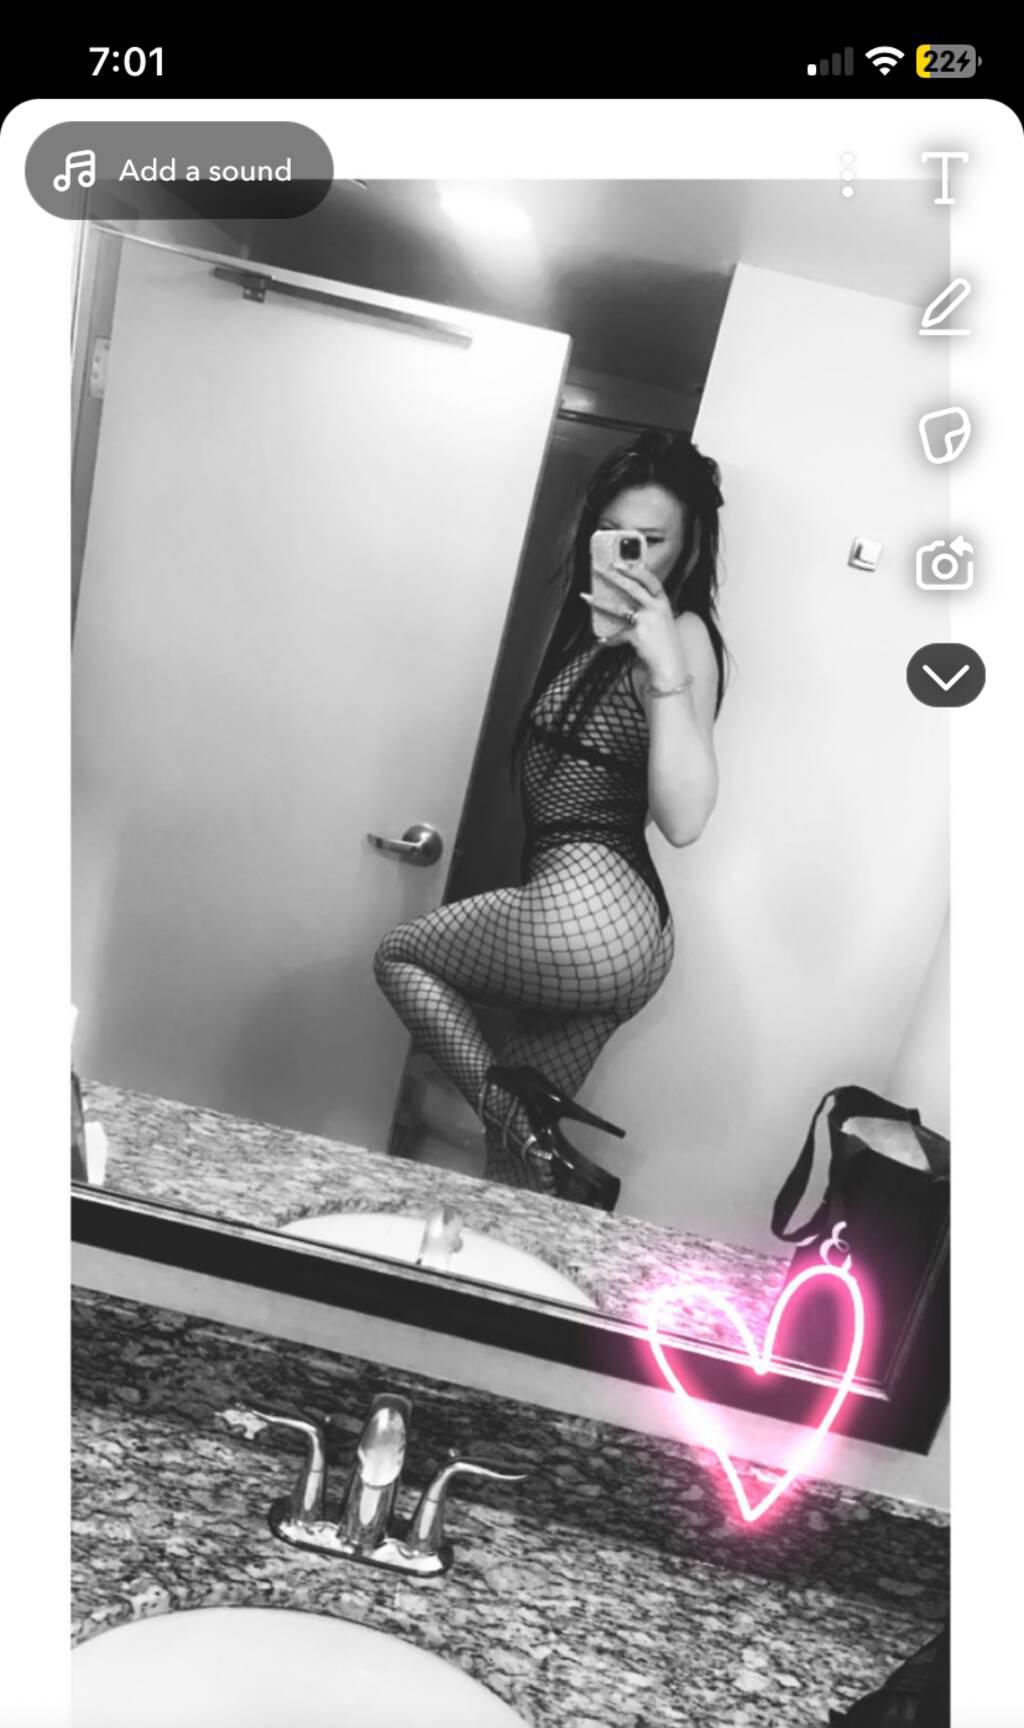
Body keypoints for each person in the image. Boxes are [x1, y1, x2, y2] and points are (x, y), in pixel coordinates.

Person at [373, 430, 728, 1209]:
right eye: (614, 534)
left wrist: (665, 669)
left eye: (653, 540)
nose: (631, 555)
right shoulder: (592, 634)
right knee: (512, 1168)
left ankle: (525, 1125)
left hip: (592, 912)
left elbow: (685, 819)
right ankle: (515, 1212)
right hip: (617, 930)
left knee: (401, 956)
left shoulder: (683, 638)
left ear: (691, 547)